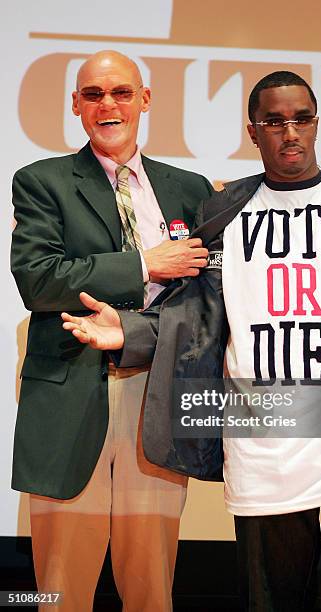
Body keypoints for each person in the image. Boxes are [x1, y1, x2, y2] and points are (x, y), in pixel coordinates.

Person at [62, 71, 321, 611]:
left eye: (301, 119)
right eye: (274, 122)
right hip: (264, 436)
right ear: (253, 132)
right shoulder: (226, 214)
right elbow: (196, 320)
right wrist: (128, 333)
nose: (290, 132)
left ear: (317, 123)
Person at [11, 50, 213, 612]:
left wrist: (134, 329)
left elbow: (205, 299)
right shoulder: (41, 181)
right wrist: (147, 264)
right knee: (56, 589)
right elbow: (39, 279)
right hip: (70, 395)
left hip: (155, 391)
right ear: (76, 105)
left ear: (144, 100)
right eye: (94, 95)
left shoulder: (190, 188)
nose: (108, 105)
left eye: (121, 92)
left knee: (152, 587)